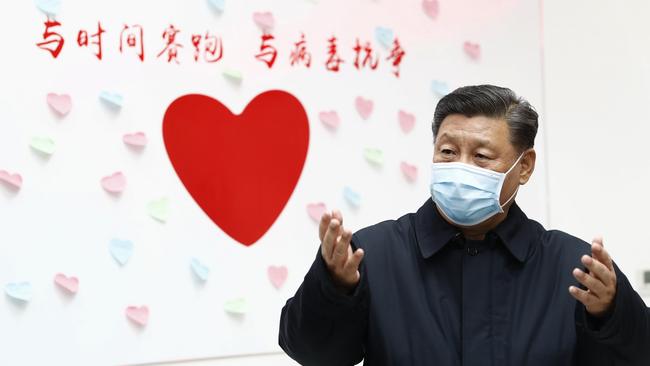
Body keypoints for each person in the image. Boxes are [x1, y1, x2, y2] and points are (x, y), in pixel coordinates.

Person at [278, 85, 650, 365]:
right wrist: (335, 289)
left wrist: (610, 313)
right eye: (448, 152)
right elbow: (313, 353)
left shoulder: (573, 266)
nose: (460, 168)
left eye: (482, 156)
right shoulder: (374, 253)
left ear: (524, 166)